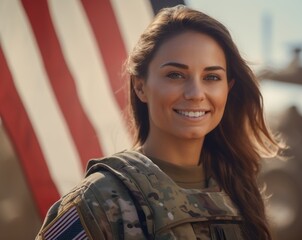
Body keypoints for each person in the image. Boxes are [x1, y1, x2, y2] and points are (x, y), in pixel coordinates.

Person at [36, 5, 280, 240]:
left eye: (211, 77)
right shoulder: (96, 201)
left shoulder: (240, 191)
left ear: (228, 89)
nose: (196, 93)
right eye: (175, 75)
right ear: (140, 86)